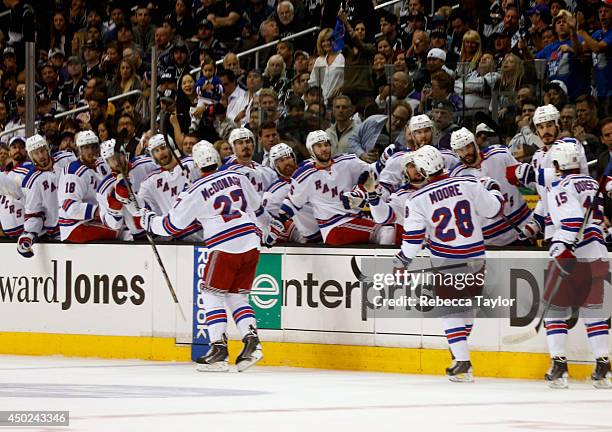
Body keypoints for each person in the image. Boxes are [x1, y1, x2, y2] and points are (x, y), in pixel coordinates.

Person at [137, 141, 273, 372]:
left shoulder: (195, 189)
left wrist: (149, 220)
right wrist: (267, 233)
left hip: (224, 245)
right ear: (217, 160)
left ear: (197, 166)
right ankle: (252, 342)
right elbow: (259, 210)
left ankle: (218, 350)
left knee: (211, 294)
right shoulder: (236, 176)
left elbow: (171, 226)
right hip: (250, 241)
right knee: (236, 296)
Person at [394, 145, 504, 381]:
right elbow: (495, 209)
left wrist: (402, 261)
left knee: (449, 309)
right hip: (476, 257)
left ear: (423, 170)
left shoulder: (417, 199)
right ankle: (458, 353)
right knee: (467, 310)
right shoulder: (468, 183)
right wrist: (494, 190)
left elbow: (412, 239)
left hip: (447, 258)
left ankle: (462, 361)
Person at [542, 141, 610, 389]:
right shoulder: (592, 183)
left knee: (555, 311)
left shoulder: (561, 185)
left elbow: (571, 222)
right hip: (598, 252)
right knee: (595, 313)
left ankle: (559, 367)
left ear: (559, 165)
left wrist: (562, 248)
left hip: (576, 254)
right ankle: (603, 367)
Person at [278, 130, 394, 246]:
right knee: (385, 231)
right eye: (319, 146)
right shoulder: (304, 176)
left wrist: (383, 161)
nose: (324, 149)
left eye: (326, 144)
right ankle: (385, 264)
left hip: (352, 221)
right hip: (334, 228)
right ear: (310, 150)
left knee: (389, 227)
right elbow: (289, 206)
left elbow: (370, 173)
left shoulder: (347, 162)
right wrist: (276, 226)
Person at [449, 127, 532, 246]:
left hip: (522, 230)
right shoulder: (456, 177)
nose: (466, 153)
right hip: (490, 242)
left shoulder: (500, 154)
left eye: (468, 147)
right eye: (460, 150)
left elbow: (524, 179)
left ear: (475, 144)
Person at [17, 134, 76, 258]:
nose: (41, 156)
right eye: (36, 153)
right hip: (59, 235)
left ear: (47, 149)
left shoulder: (67, 159)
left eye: (42, 151)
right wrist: (29, 235)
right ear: (31, 156)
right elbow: (34, 214)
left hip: (81, 223)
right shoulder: (31, 182)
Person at [137, 134, 200, 240]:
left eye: (163, 148)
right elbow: (141, 207)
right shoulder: (149, 182)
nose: (161, 153)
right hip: (177, 238)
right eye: (156, 151)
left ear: (171, 146)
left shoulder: (192, 164)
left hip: (202, 229)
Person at [378, 114, 458, 198]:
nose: (423, 135)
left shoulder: (448, 156)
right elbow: (385, 187)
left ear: (432, 131)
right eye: (419, 132)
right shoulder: (398, 159)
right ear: (412, 135)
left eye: (426, 131)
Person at [58, 131, 118, 243]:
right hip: (75, 225)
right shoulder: (73, 172)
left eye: (94, 147)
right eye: (86, 148)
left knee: (123, 223)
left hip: (94, 219)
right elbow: (70, 206)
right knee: (119, 230)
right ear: (79, 150)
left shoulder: (102, 164)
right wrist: (100, 211)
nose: (91, 151)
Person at [262, 143, 320, 243]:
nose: (286, 162)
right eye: (281, 160)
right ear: (274, 165)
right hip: (311, 238)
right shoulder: (273, 192)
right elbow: (266, 221)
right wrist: (289, 229)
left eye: (288, 158)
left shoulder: (310, 168)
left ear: (294, 158)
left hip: (331, 223)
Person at [220, 127, 277, 195]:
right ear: (233, 147)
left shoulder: (267, 172)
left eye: (248, 142)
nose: (245, 146)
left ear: (253, 145)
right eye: (240, 143)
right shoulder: (225, 172)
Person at [0, 136, 31, 239]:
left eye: (21, 147)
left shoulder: (30, 169)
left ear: (26, 151)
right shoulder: (6, 172)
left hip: (26, 228)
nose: (18, 150)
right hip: (5, 232)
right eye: (14, 147)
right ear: (9, 152)